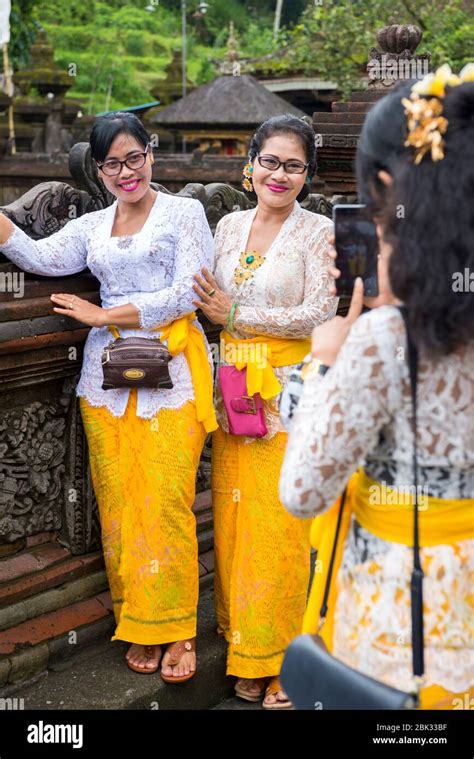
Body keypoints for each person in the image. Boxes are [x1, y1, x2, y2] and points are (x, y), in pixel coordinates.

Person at [280, 66, 474, 709]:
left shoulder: (385, 339)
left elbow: (303, 492)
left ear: (386, 189)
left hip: (400, 619)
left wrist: (324, 364)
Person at [0, 112, 217, 682]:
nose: (126, 172)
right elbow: (43, 257)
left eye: (135, 158)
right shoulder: (95, 225)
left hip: (172, 371)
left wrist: (104, 313)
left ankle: (179, 628)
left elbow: (186, 291)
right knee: (120, 506)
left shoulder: (184, 213)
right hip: (106, 379)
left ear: (151, 154)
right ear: (99, 170)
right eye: (112, 163)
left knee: (167, 503)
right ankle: (140, 622)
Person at [192, 115, 338, 708]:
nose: (280, 174)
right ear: (248, 165)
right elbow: (205, 299)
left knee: (281, 530)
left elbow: (320, 312)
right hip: (234, 395)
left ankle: (284, 658)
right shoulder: (226, 225)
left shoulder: (320, 233)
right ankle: (244, 643)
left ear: (306, 174)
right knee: (233, 525)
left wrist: (235, 317)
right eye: (270, 161)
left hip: (289, 393)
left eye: (294, 165)